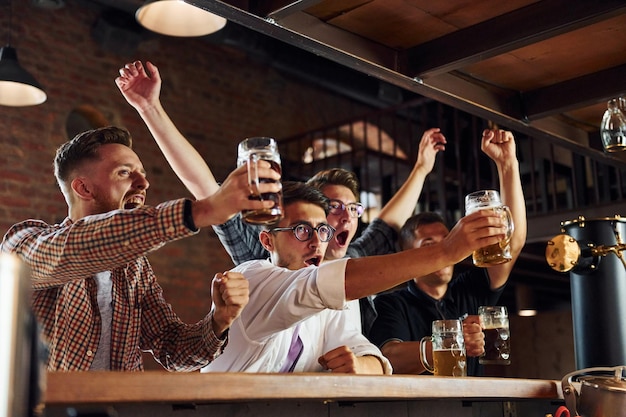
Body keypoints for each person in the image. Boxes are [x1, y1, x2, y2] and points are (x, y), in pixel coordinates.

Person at [114, 60, 445, 336]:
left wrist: (421, 168)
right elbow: (205, 188)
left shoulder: (353, 253)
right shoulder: (266, 255)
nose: (346, 217)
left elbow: (389, 222)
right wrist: (151, 108)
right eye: (332, 209)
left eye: (353, 209)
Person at [0, 126, 281, 372]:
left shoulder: (134, 268)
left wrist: (219, 320)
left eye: (142, 174)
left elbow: (173, 348)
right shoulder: (22, 244)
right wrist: (202, 210)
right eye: (124, 173)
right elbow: (76, 248)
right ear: (83, 188)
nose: (143, 183)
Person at [200, 180, 507, 373]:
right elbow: (326, 284)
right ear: (268, 241)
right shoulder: (252, 277)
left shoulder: (336, 299)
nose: (316, 241)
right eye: (301, 229)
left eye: (321, 230)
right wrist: (447, 251)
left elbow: (366, 352)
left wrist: (360, 364)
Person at [368, 129, 527, 377]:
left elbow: (512, 243)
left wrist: (507, 165)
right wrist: (452, 340)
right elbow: (389, 358)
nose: (445, 251)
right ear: (409, 254)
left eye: (447, 241)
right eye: (429, 244)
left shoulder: (468, 290)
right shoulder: (391, 303)